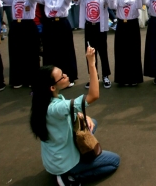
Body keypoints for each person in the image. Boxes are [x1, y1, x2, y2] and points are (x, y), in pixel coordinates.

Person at [30, 46, 120, 185]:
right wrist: (91, 63)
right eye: (62, 76)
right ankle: (70, 177)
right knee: (114, 162)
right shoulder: (56, 108)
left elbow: (70, 111)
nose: (66, 75)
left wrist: (84, 116)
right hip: (64, 163)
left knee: (92, 122)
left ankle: (66, 170)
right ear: (52, 87)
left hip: (55, 158)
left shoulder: (43, 101)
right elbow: (93, 95)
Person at [66, 0, 115, 89]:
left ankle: (105, 76)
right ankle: (93, 77)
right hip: (89, 28)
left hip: (100, 28)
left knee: (103, 52)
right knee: (90, 53)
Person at [0, 0, 40, 88]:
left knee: (31, 54)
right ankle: (18, 79)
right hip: (16, 26)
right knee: (16, 53)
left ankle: (31, 79)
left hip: (28, 25)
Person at [32, 0, 78, 87]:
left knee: (66, 51)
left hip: (62, 24)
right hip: (49, 25)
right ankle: (51, 78)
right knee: (50, 52)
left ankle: (69, 77)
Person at [110, 0, 146, 86]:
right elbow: (112, 6)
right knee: (121, 52)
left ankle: (134, 78)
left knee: (134, 52)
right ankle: (122, 79)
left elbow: (140, 6)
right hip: (121, 25)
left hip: (133, 25)